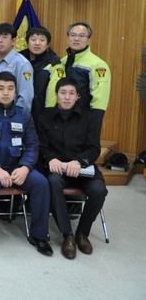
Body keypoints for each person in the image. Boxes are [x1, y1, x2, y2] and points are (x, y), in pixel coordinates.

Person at [0, 72, 52, 257]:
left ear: (16, 91)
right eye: (1, 88)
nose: (5, 93)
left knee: (41, 183)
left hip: (16, 166)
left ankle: (39, 236)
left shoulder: (23, 114)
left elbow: (33, 144)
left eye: (10, 88)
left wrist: (25, 167)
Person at [37, 77, 107, 259]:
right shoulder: (44, 117)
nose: (67, 97)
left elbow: (94, 147)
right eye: (63, 93)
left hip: (82, 168)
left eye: (71, 93)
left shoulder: (89, 118)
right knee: (53, 183)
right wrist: (50, 158)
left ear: (78, 96)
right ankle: (67, 235)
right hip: (57, 169)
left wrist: (79, 161)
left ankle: (82, 233)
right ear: (56, 95)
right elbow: (41, 146)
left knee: (99, 190)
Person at [61, 22, 111, 127]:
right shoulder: (62, 62)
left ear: (88, 40)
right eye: (73, 35)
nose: (76, 39)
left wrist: (93, 126)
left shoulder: (98, 65)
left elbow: (99, 100)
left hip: (83, 120)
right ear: (67, 38)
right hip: (62, 118)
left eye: (82, 36)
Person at [0, 23, 34, 115]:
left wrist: (17, 117)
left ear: (13, 41)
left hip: (11, 115)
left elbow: (26, 96)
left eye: (5, 37)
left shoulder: (22, 63)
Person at [20, 27, 65, 123]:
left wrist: (49, 114)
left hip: (43, 114)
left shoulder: (55, 64)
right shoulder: (19, 60)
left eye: (42, 40)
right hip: (19, 112)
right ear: (27, 42)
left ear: (48, 44)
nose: (37, 43)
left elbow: (54, 92)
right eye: (33, 39)